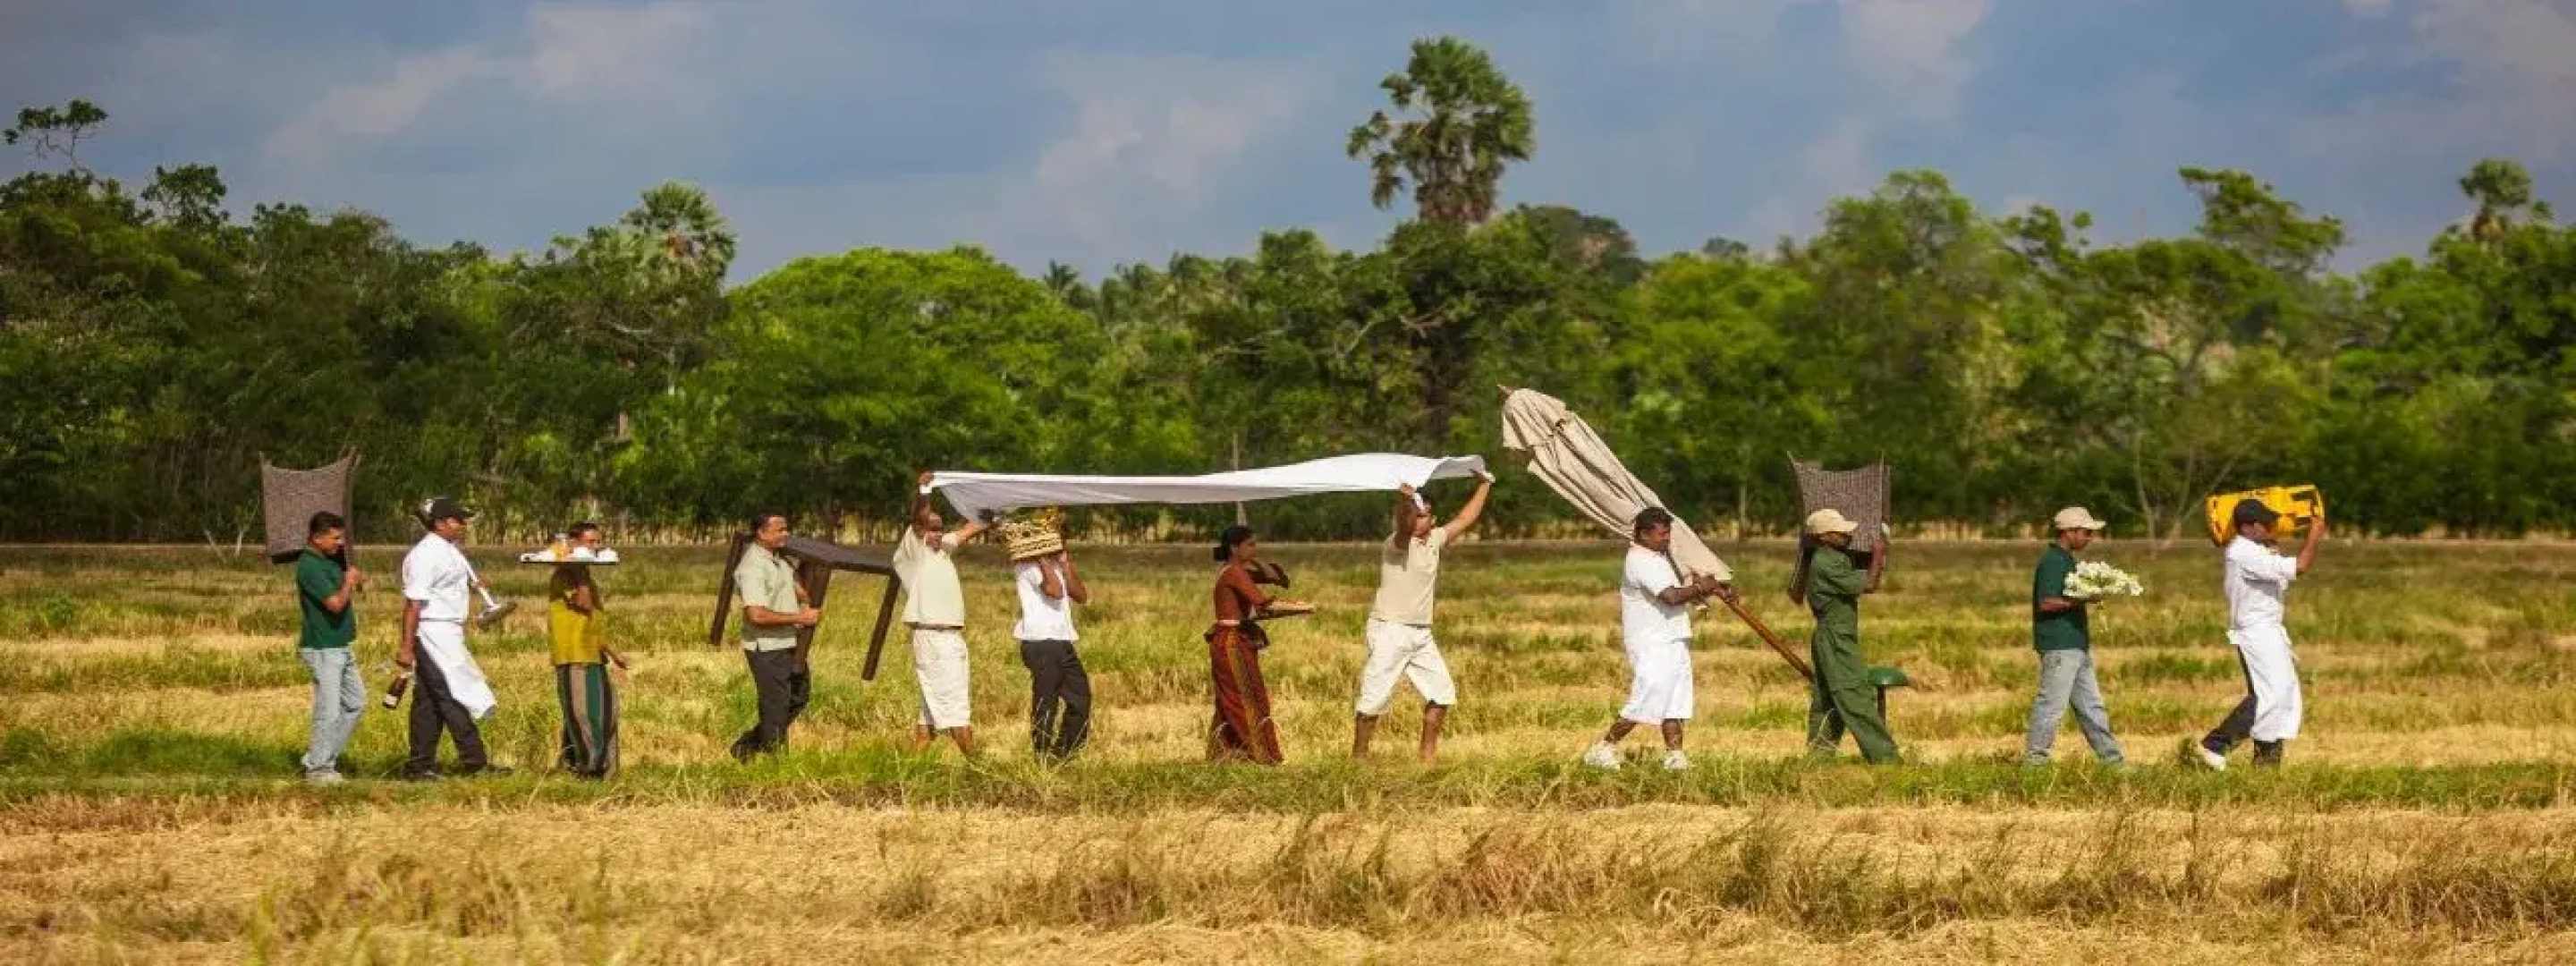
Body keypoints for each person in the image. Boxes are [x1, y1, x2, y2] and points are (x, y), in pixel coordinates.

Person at [1353, 472, 1492, 763]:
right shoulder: (1396, 543)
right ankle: (1359, 761)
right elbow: (1402, 528)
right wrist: (1404, 500)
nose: (1417, 521)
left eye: (1423, 516)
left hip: (1420, 633)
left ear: (1433, 519)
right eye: (1414, 516)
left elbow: (1466, 519)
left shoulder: (1435, 540)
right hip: (1390, 629)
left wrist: (1484, 484)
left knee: (1442, 695)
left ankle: (1426, 758)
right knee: (1374, 699)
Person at [1584, 507, 1735, 771]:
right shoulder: (1640, 561)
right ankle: (1603, 748)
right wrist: (1703, 587)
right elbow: (1672, 597)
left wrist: (1715, 588)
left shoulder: (1659, 557)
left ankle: (1674, 756)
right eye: (1662, 534)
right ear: (1643, 534)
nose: (1666, 539)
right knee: (1648, 694)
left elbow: (1682, 590)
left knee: (1676, 700)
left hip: (1673, 636)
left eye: (1668, 533)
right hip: (1651, 640)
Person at [2192, 498, 2326, 770]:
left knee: (2280, 696)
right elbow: (2299, 567)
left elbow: (2279, 580)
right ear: (2248, 527)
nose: (2272, 527)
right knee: (2269, 697)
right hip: (2256, 633)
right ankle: (2214, 747)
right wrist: (2314, 534)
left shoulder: (2256, 550)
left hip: (2270, 632)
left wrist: (2273, 548)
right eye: (2266, 524)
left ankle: (2266, 765)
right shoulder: (2243, 552)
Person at [397, 496, 505, 780]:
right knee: (452, 695)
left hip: (448, 632)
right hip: (432, 634)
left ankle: (420, 765)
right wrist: (407, 647)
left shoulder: (449, 551)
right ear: (442, 522)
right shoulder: (424, 555)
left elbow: (444, 591)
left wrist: (473, 588)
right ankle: (475, 763)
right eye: (458, 520)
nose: (462, 525)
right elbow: (413, 604)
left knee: (428, 701)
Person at [894, 471, 990, 756]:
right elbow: (921, 516)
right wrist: (925, 489)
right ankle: (977, 767)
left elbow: (972, 528)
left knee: (929, 718)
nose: (936, 533)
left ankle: (911, 767)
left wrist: (999, 506)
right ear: (920, 529)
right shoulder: (914, 549)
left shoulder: (942, 548)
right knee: (957, 708)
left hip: (948, 638)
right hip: (934, 637)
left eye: (940, 529)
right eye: (930, 528)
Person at [2024, 506, 2124, 766]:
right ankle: (2035, 763)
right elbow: (2046, 603)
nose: (2090, 537)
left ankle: (2113, 762)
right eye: (2086, 532)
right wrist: (2083, 599)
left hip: (2077, 644)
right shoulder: (2053, 561)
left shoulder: (2067, 560)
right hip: (2060, 645)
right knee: (2051, 706)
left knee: (2093, 707)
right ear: (2069, 532)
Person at [1802, 508, 1899, 764]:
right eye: (1839, 532)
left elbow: (1861, 572)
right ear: (1823, 536)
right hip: (1835, 639)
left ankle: (1819, 760)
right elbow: (1868, 584)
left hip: (1832, 636)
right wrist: (1878, 555)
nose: (1847, 535)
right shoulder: (1827, 563)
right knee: (1855, 695)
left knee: (1827, 700)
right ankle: (1885, 759)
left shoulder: (1833, 556)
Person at [730, 510, 821, 760]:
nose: (786, 534)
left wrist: (808, 572)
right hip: (767, 647)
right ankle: (775, 762)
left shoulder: (779, 560)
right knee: (776, 705)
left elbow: (802, 593)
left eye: (786, 529)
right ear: (761, 533)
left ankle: (747, 746)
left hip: (788, 642)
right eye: (779, 530)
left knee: (799, 696)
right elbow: (756, 616)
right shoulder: (752, 567)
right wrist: (800, 618)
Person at [1208, 524, 1300, 764]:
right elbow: (1262, 603)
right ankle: (1260, 755)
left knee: (1235, 695)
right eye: (1249, 545)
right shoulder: (1234, 572)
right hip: (1231, 640)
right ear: (1234, 547)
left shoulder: (1238, 569)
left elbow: (1279, 579)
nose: (1254, 549)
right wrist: (1299, 608)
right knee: (1246, 697)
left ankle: (1230, 754)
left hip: (1235, 639)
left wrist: (1256, 560)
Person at [547, 522, 626, 777]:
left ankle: (597, 767)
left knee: (605, 712)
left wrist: (614, 654)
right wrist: (579, 571)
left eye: (597, 543)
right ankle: (590, 766)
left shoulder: (585, 579)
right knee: (584, 714)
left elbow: (593, 624)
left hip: (593, 654)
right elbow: (583, 605)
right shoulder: (566, 577)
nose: (594, 548)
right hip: (574, 655)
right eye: (589, 543)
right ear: (574, 544)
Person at [293, 511, 366, 784]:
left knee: (356, 704)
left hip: (340, 645)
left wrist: (353, 579)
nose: (340, 543)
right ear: (317, 537)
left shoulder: (329, 561)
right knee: (329, 710)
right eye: (335, 538)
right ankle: (319, 769)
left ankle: (320, 757)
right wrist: (347, 583)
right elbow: (334, 604)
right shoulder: (309, 567)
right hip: (323, 647)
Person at [1013, 547, 1091, 762]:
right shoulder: (1026, 567)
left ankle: (1064, 752)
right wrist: (1042, 559)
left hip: (1062, 642)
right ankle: (1041, 756)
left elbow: (1081, 596)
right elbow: (1055, 591)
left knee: (1081, 698)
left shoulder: (1057, 565)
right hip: (1040, 643)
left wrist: (1066, 564)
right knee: (1046, 702)